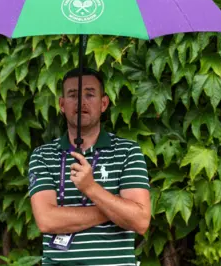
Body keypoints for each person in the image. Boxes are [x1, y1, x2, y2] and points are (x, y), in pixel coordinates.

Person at [27, 66, 151, 265]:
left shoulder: (128, 152)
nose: (81, 102)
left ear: (104, 103)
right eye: (73, 95)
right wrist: (114, 209)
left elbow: (140, 221)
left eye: (90, 94)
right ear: (61, 104)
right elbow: (46, 220)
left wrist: (91, 188)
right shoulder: (42, 156)